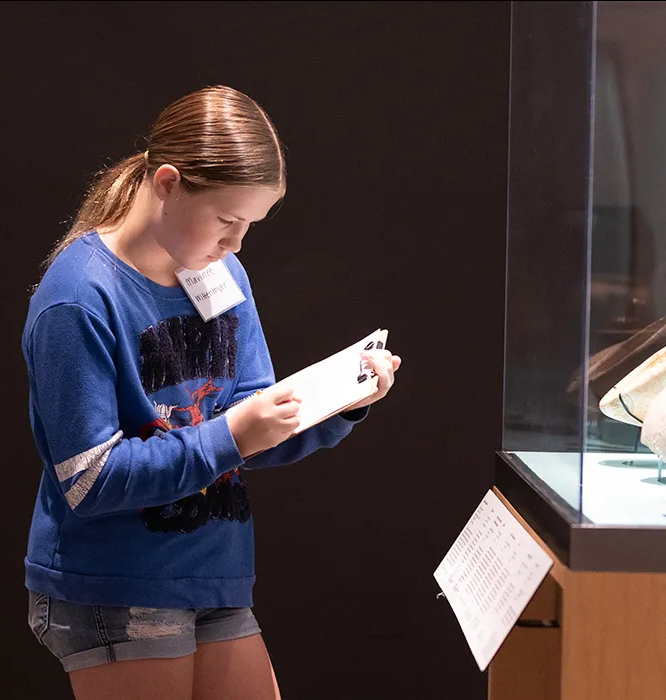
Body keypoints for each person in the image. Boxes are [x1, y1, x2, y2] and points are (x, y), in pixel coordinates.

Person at [21, 85, 400, 700]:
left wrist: (337, 407)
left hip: (212, 571)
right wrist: (236, 432)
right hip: (119, 583)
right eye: (228, 221)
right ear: (168, 183)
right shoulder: (78, 297)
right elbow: (89, 480)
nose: (237, 244)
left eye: (249, 225)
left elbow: (247, 423)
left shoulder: (219, 273)